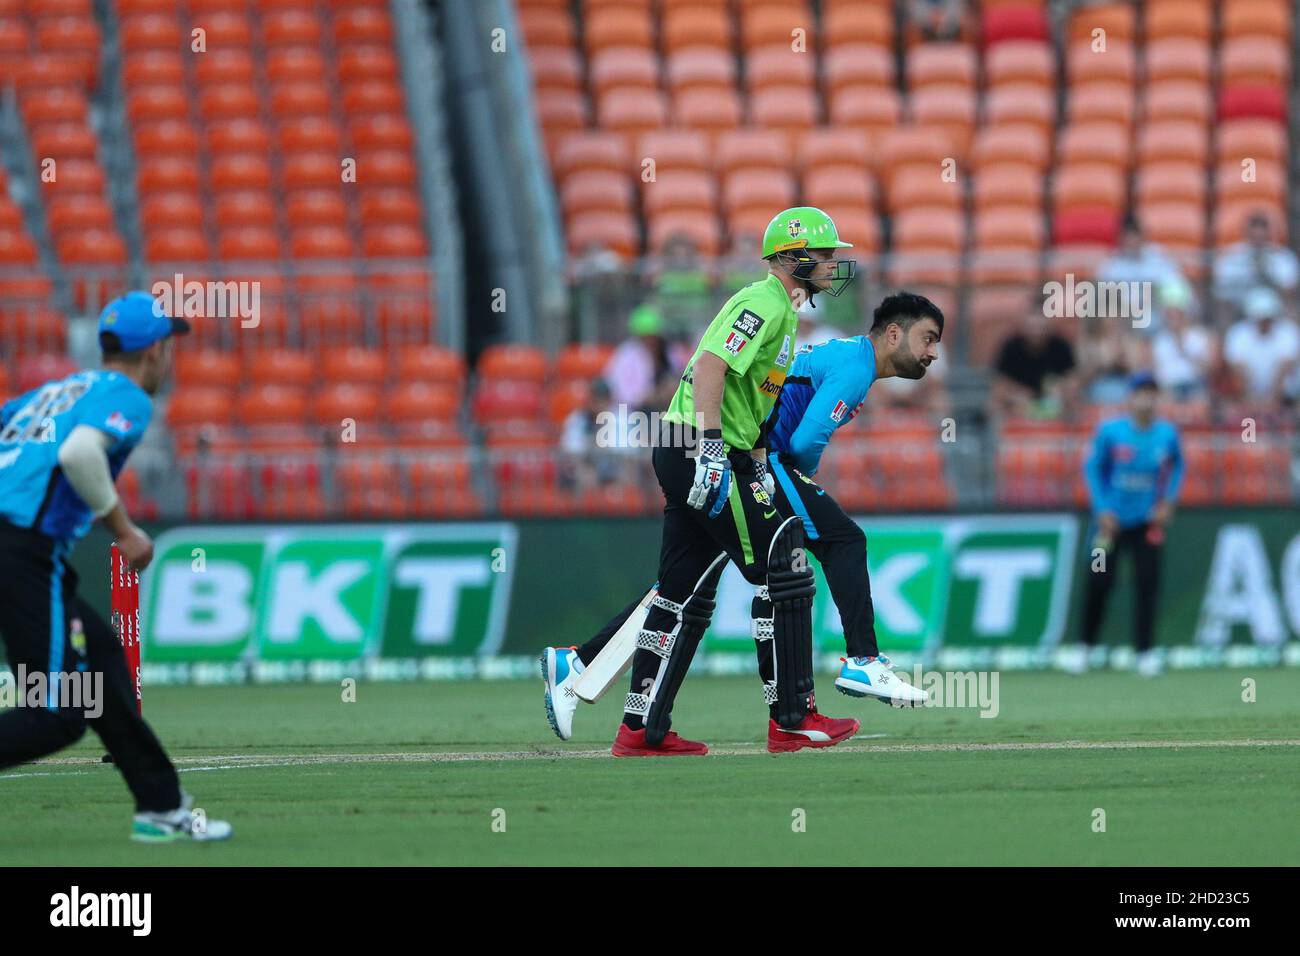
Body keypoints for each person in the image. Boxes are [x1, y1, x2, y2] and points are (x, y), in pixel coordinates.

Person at [541, 293, 945, 740]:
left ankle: (579, 664)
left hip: (731, 449)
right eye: (927, 338)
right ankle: (858, 665)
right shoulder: (855, 365)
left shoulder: (846, 357)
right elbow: (807, 438)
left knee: (681, 586)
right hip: (757, 456)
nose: (932, 352)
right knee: (838, 542)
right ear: (893, 333)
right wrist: (796, 479)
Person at [547, 207, 861, 756]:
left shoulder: (783, 315)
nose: (835, 265)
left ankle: (630, 717)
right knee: (781, 569)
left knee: (677, 590)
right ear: (793, 258)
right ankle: (792, 717)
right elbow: (713, 364)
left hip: (696, 446)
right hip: (698, 445)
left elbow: (754, 401)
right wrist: (714, 445)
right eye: (827, 255)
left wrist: (758, 458)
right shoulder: (763, 301)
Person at [0, 291, 233, 841]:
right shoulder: (125, 395)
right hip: (22, 551)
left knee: (101, 661)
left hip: (18, 551)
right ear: (154, 351)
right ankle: (163, 807)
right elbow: (79, 454)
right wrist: (125, 530)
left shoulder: (55, 392)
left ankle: (162, 806)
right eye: (169, 344)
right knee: (55, 714)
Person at [1067, 372, 1183, 678]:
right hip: (1109, 525)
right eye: (1141, 392)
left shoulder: (1166, 434)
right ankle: (1084, 648)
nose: (1146, 399)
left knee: (1148, 583)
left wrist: (1167, 502)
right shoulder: (1111, 432)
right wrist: (1101, 509)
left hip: (1147, 523)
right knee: (1098, 581)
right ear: (1129, 398)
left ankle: (1144, 653)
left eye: (1152, 392)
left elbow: (1177, 466)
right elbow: (1093, 467)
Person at [1222, 286, 1300, 410]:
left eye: (1268, 319)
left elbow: (1284, 370)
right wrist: (1249, 401)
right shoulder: (1238, 334)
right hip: (1249, 392)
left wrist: (1273, 400)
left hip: (1285, 395)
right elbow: (1239, 371)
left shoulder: (1288, 332)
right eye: (1260, 319)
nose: (1264, 323)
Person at [992, 309, 1078, 419]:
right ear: (1023, 326)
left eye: (1040, 327)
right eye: (1032, 327)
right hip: (1019, 402)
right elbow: (1000, 384)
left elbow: (1073, 379)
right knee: (995, 402)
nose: (1036, 332)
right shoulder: (1010, 347)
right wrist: (1017, 393)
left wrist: (1061, 389)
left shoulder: (1061, 345)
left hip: (1055, 402)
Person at [1213, 210, 1299, 316]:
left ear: (1268, 236)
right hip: (1240, 312)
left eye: (1261, 238)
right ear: (1246, 234)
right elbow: (1222, 290)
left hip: (1275, 314)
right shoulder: (1232, 257)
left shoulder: (1282, 257)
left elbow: (1290, 290)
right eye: (1254, 238)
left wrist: (1267, 272)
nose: (1258, 242)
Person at [1150, 279, 1214, 402]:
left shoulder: (1199, 336)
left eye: (1177, 313)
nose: (1174, 317)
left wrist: (1183, 347)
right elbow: (1156, 372)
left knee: (1201, 399)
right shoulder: (1159, 340)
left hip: (1195, 387)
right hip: (1168, 390)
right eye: (1170, 313)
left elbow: (1207, 370)